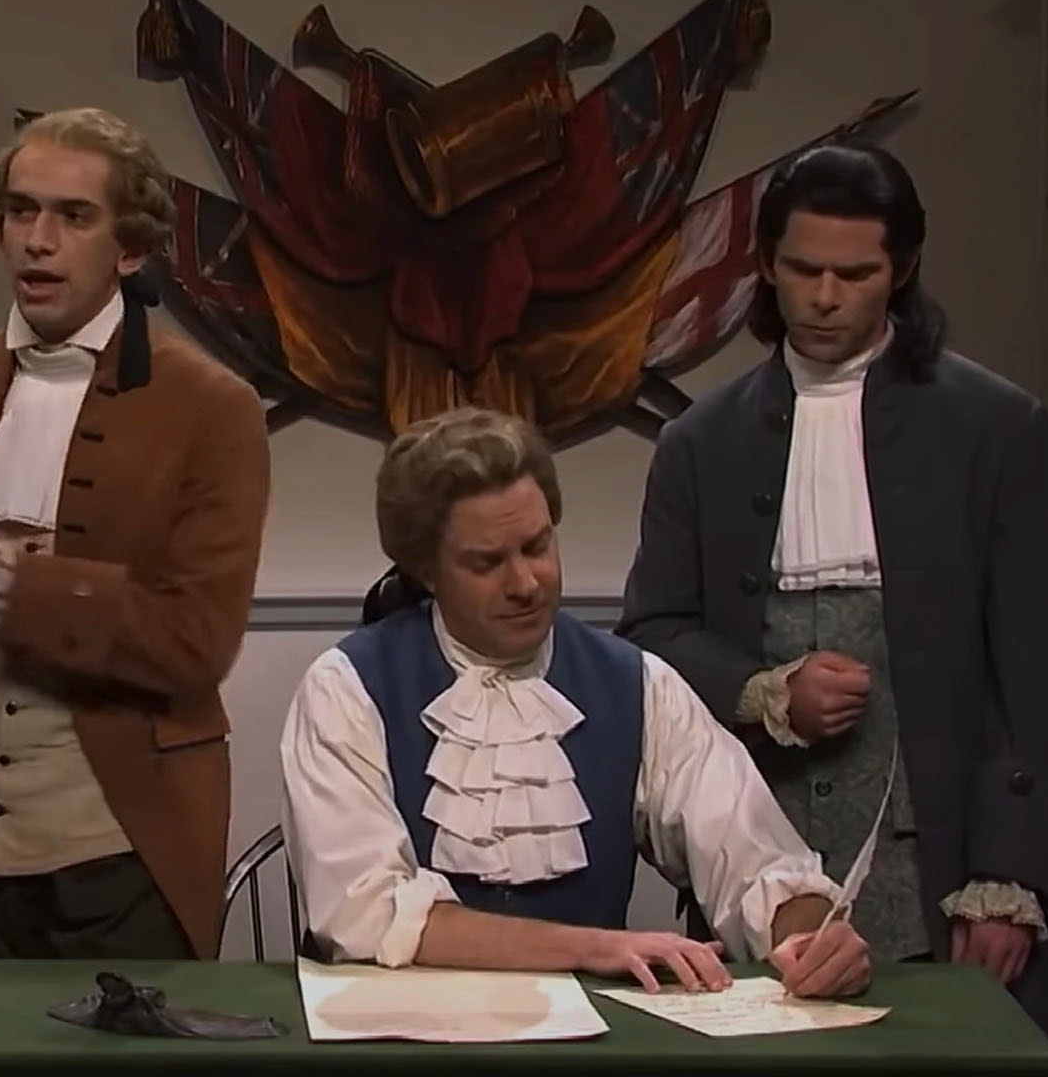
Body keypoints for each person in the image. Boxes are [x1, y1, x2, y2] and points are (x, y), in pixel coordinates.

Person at [617, 144, 1048, 1027]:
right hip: (759, 841)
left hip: (938, 855)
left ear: (901, 269)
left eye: (855, 274)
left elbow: (1037, 673)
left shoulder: (997, 426)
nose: (825, 297)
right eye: (804, 269)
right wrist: (763, 690)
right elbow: (652, 635)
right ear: (766, 265)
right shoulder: (699, 442)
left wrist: (1006, 875)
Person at [0, 107, 270, 963]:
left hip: (124, 849)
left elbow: (195, 641)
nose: (37, 241)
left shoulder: (213, 408)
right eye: (21, 211)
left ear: (131, 249)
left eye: (73, 216)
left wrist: (5, 578)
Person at [281, 407, 870, 996]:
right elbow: (365, 913)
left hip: (591, 1036)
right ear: (426, 571)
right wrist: (593, 947)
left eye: (537, 546)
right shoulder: (346, 688)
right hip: (396, 1033)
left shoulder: (638, 684)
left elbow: (755, 861)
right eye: (487, 563)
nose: (525, 583)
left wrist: (809, 936)